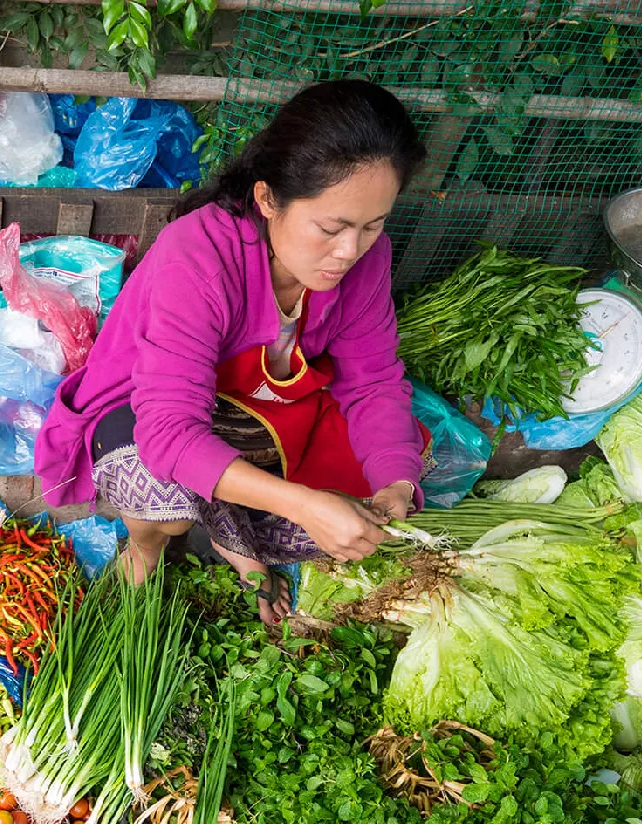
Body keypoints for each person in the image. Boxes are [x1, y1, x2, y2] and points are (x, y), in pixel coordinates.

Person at [34, 80, 429, 625]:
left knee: (373, 503)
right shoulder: (198, 256)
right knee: (163, 499)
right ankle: (147, 548)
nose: (349, 251)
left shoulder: (368, 258)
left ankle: (233, 532)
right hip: (150, 411)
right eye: (331, 228)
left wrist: (396, 486)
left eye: (372, 226)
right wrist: (303, 503)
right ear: (269, 199)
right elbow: (169, 430)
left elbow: (373, 382)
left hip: (263, 415)